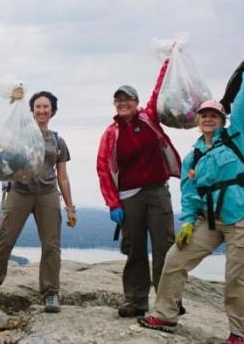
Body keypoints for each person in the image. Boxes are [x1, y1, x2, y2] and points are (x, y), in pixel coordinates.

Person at [139, 58, 244, 344]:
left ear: (222, 120)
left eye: (214, 115)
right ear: (197, 121)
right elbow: (189, 193)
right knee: (175, 260)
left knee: (237, 279)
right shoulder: (192, 157)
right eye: (204, 115)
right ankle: (165, 314)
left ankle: (239, 334)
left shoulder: (236, 136)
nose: (208, 119)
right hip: (209, 219)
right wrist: (186, 223)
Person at [0, 91, 77, 313]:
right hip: (19, 191)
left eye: (46, 107)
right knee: (5, 238)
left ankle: (50, 293)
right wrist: (13, 102)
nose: (41, 110)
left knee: (51, 245)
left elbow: (63, 176)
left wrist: (70, 207)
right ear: (31, 110)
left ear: (52, 111)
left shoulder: (58, 141)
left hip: (47, 194)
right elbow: (3, 140)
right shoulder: (20, 134)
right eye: (37, 107)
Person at [96, 59, 182, 317]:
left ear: (136, 101)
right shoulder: (111, 133)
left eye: (128, 99)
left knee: (164, 248)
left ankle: (168, 304)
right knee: (135, 250)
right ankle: (135, 302)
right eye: (118, 100)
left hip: (157, 191)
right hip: (129, 197)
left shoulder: (149, 118)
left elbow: (159, 90)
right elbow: (103, 169)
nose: (123, 103)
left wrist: (168, 61)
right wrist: (113, 204)